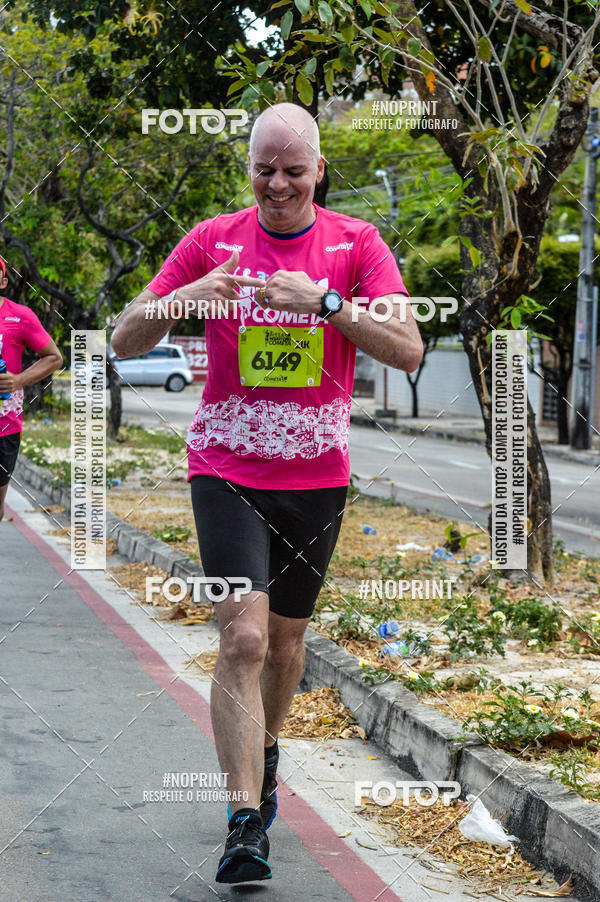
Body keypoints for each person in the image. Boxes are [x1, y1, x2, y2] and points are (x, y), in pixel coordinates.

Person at [111, 102, 423, 885]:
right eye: (263, 169)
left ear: (319, 169)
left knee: (286, 646)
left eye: (292, 170)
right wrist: (191, 296)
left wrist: (324, 305)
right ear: (247, 169)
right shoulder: (212, 242)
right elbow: (123, 340)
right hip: (224, 468)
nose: (277, 184)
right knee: (243, 639)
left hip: (315, 477)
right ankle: (244, 822)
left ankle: (266, 749)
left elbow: (409, 348)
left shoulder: (358, 244)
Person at [0, 257, 63, 521]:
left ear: (3, 282)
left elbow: (54, 357)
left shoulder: (20, 316)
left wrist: (18, 380)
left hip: (4, 424)